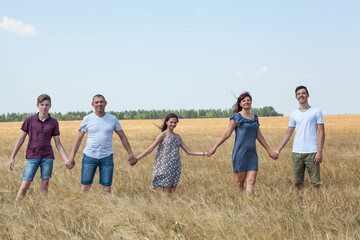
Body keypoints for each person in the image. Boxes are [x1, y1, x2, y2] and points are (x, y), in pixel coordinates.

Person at [206, 92, 277, 195]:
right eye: (243, 100)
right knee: (240, 182)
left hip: (252, 154)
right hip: (240, 153)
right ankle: (238, 203)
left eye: (248, 100)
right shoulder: (236, 117)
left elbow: (259, 136)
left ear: (251, 102)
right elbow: (227, 133)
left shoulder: (254, 117)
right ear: (240, 104)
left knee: (251, 181)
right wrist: (214, 147)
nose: (246, 102)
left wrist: (269, 150)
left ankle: (249, 204)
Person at [67, 94, 136, 194]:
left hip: (106, 157)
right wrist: (71, 157)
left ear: (106, 103)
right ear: (92, 104)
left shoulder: (112, 119)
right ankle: (83, 208)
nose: (99, 104)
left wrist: (130, 154)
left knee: (107, 189)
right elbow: (78, 138)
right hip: (89, 156)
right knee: (85, 187)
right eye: (97, 102)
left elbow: (123, 137)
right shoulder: (87, 119)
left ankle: (107, 209)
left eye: (101, 102)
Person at [8, 94, 70, 201]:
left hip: (47, 157)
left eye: (46, 105)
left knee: (45, 186)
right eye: (42, 105)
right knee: (25, 185)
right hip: (32, 156)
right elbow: (21, 139)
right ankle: (16, 206)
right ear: (37, 105)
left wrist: (66, 160)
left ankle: (43, 208)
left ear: (50, 106)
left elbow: (58, 143)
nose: (44, 107)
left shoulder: (54, 122)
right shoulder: (30, 120)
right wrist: (12, 157)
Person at [135, 113, 207, 196]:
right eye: (171, 122)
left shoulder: (177, 136)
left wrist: (204, 153)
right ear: (166, 122)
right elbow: (151, 148)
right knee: (166, 192)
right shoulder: (163, 135)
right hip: (165, 166)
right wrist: (137, 158)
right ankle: (164, 208)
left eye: (175, 122)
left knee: (172, 192)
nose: (173, 124)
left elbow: (189, 151)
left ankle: (169, 208)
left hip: (176, 166)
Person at [274, 86, 325, 193]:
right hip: (297, 152)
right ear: (296, 97)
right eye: (298, 94)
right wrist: (278, 150)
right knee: (297, 183)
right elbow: (288, 133)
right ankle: (298, 207)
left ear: (308, 95)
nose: (301, 95)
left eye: (303, 93)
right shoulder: (293, 114)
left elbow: (321, 132)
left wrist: (319, 152)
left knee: (315, 183)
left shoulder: (316, 111)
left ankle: (319, 206)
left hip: (312, 152)